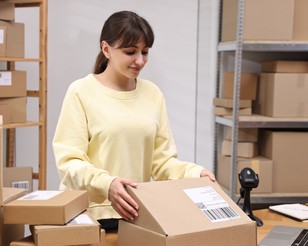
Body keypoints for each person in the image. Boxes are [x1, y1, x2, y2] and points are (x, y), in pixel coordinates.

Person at [52, 10, 216, 231]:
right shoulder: (81, 92)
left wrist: (195, 174)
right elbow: (69, 161)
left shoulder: (153, 94)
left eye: (145, 52)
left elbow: (161, 163)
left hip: (136, 215)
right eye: (130, 52)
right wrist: (107, 184)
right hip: (89, 216)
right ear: (106, 49)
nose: (140, 61)